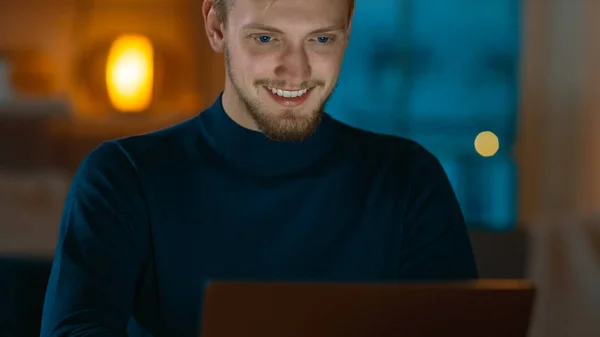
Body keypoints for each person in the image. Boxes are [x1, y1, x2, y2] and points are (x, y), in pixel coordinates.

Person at [40, 0, 478, 335]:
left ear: (347, 31)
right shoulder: (122, 177)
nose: (296, 71)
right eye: (266, 38)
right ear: (216, 26)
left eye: (321, 39)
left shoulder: (408, 178)